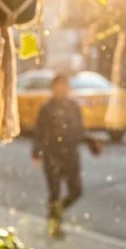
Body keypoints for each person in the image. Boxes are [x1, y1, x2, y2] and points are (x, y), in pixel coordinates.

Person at [31, 73, 98, 237]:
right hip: (52, 155)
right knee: (54, 192)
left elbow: (78, 130)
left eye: (64, 85)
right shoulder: (46, 108)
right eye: (58, 85)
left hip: (70, 156)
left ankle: (55, 212)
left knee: (76, 191)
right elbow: (39, 132)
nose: (62, 89)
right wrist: (36, 152)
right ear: (53, 88)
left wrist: (90, 142)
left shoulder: (73, 106)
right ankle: (54, 224)